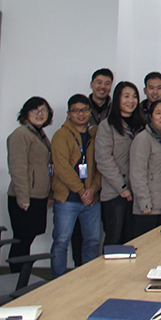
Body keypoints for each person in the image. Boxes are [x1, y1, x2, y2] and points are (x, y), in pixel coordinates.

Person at [50, 94, 102, 278]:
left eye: (85, 110)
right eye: (76, 111)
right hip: (68, 199)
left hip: (91, 200)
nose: (81, 114)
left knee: (92, 241)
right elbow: (61, 167)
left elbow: (100, 166)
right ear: (68, 113)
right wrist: (81, 190)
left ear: (90, 112)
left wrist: (93, 188)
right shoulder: (61, 135)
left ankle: (88, 281)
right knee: (61, 241)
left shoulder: (95, 135)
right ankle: (57, 282)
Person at [6, 97, 54, 272]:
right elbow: (17, 169)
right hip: (25, 198)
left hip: (38, 196)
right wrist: (23, 198)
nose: (40, 114)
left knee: (28, 239)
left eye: (43, 110)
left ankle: (21, 277)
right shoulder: (21, 135)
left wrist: (49, 195)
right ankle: (15, 277)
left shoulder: (39, 134)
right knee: (22, 240)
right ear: (26, 113)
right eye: (35, 110)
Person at [96, 81, 145, 245]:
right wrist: (122, 187)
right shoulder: (107, 126)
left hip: (137, 192)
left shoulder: (142, 125)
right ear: (117, 99)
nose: (131, 101)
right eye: (126, 96)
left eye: (134, 96)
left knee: (133, 239)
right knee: (114, 238)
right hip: (115, 193)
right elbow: (104, 160)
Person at [129, 99, 161, 236]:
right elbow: (137, 173)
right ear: (150, 116)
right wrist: (144, 201)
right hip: (149, 208)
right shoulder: (143, 139)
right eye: (158, 113)